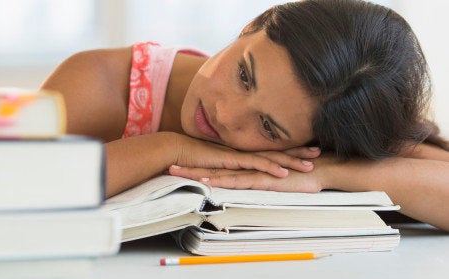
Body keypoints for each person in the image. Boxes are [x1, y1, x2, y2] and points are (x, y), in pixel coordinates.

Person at [40, 0, 449, 231]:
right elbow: (13, 190)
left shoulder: (330, 128)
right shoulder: (106, 83)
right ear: (252, 25)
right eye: (244, 75)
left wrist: (327, 173)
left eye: (269, 127)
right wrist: (168, 148)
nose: (224, 112)